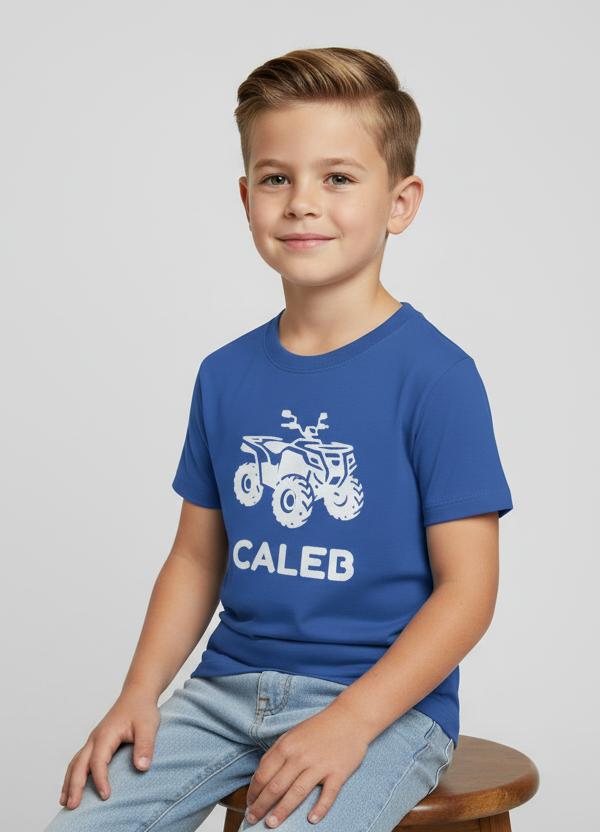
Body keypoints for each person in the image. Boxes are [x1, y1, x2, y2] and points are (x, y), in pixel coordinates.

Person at [45, 47, 513, 832]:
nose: (302, 202)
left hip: (383, 703)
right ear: (246, 197)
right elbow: (197, 557)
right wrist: (138, 692)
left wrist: (354, 719)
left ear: (400, 202)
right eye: (276, 177)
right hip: (224, 692)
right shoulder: (224, 375)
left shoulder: (436, 376)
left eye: (338, 177)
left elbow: (468, 591)